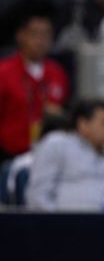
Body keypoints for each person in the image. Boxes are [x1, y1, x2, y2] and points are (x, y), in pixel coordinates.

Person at [27, 100, 104, 212]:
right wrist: (57, 225)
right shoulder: (58, 144)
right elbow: (38, 197)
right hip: (69, 226)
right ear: (83, 124)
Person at [0, 10, 69, 164]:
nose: (40, 40)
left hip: (48, 157)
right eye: (35, 34)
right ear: (20, 35)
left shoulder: (57, 73)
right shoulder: (3, 72)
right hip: (9, 156)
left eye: (46, 35)